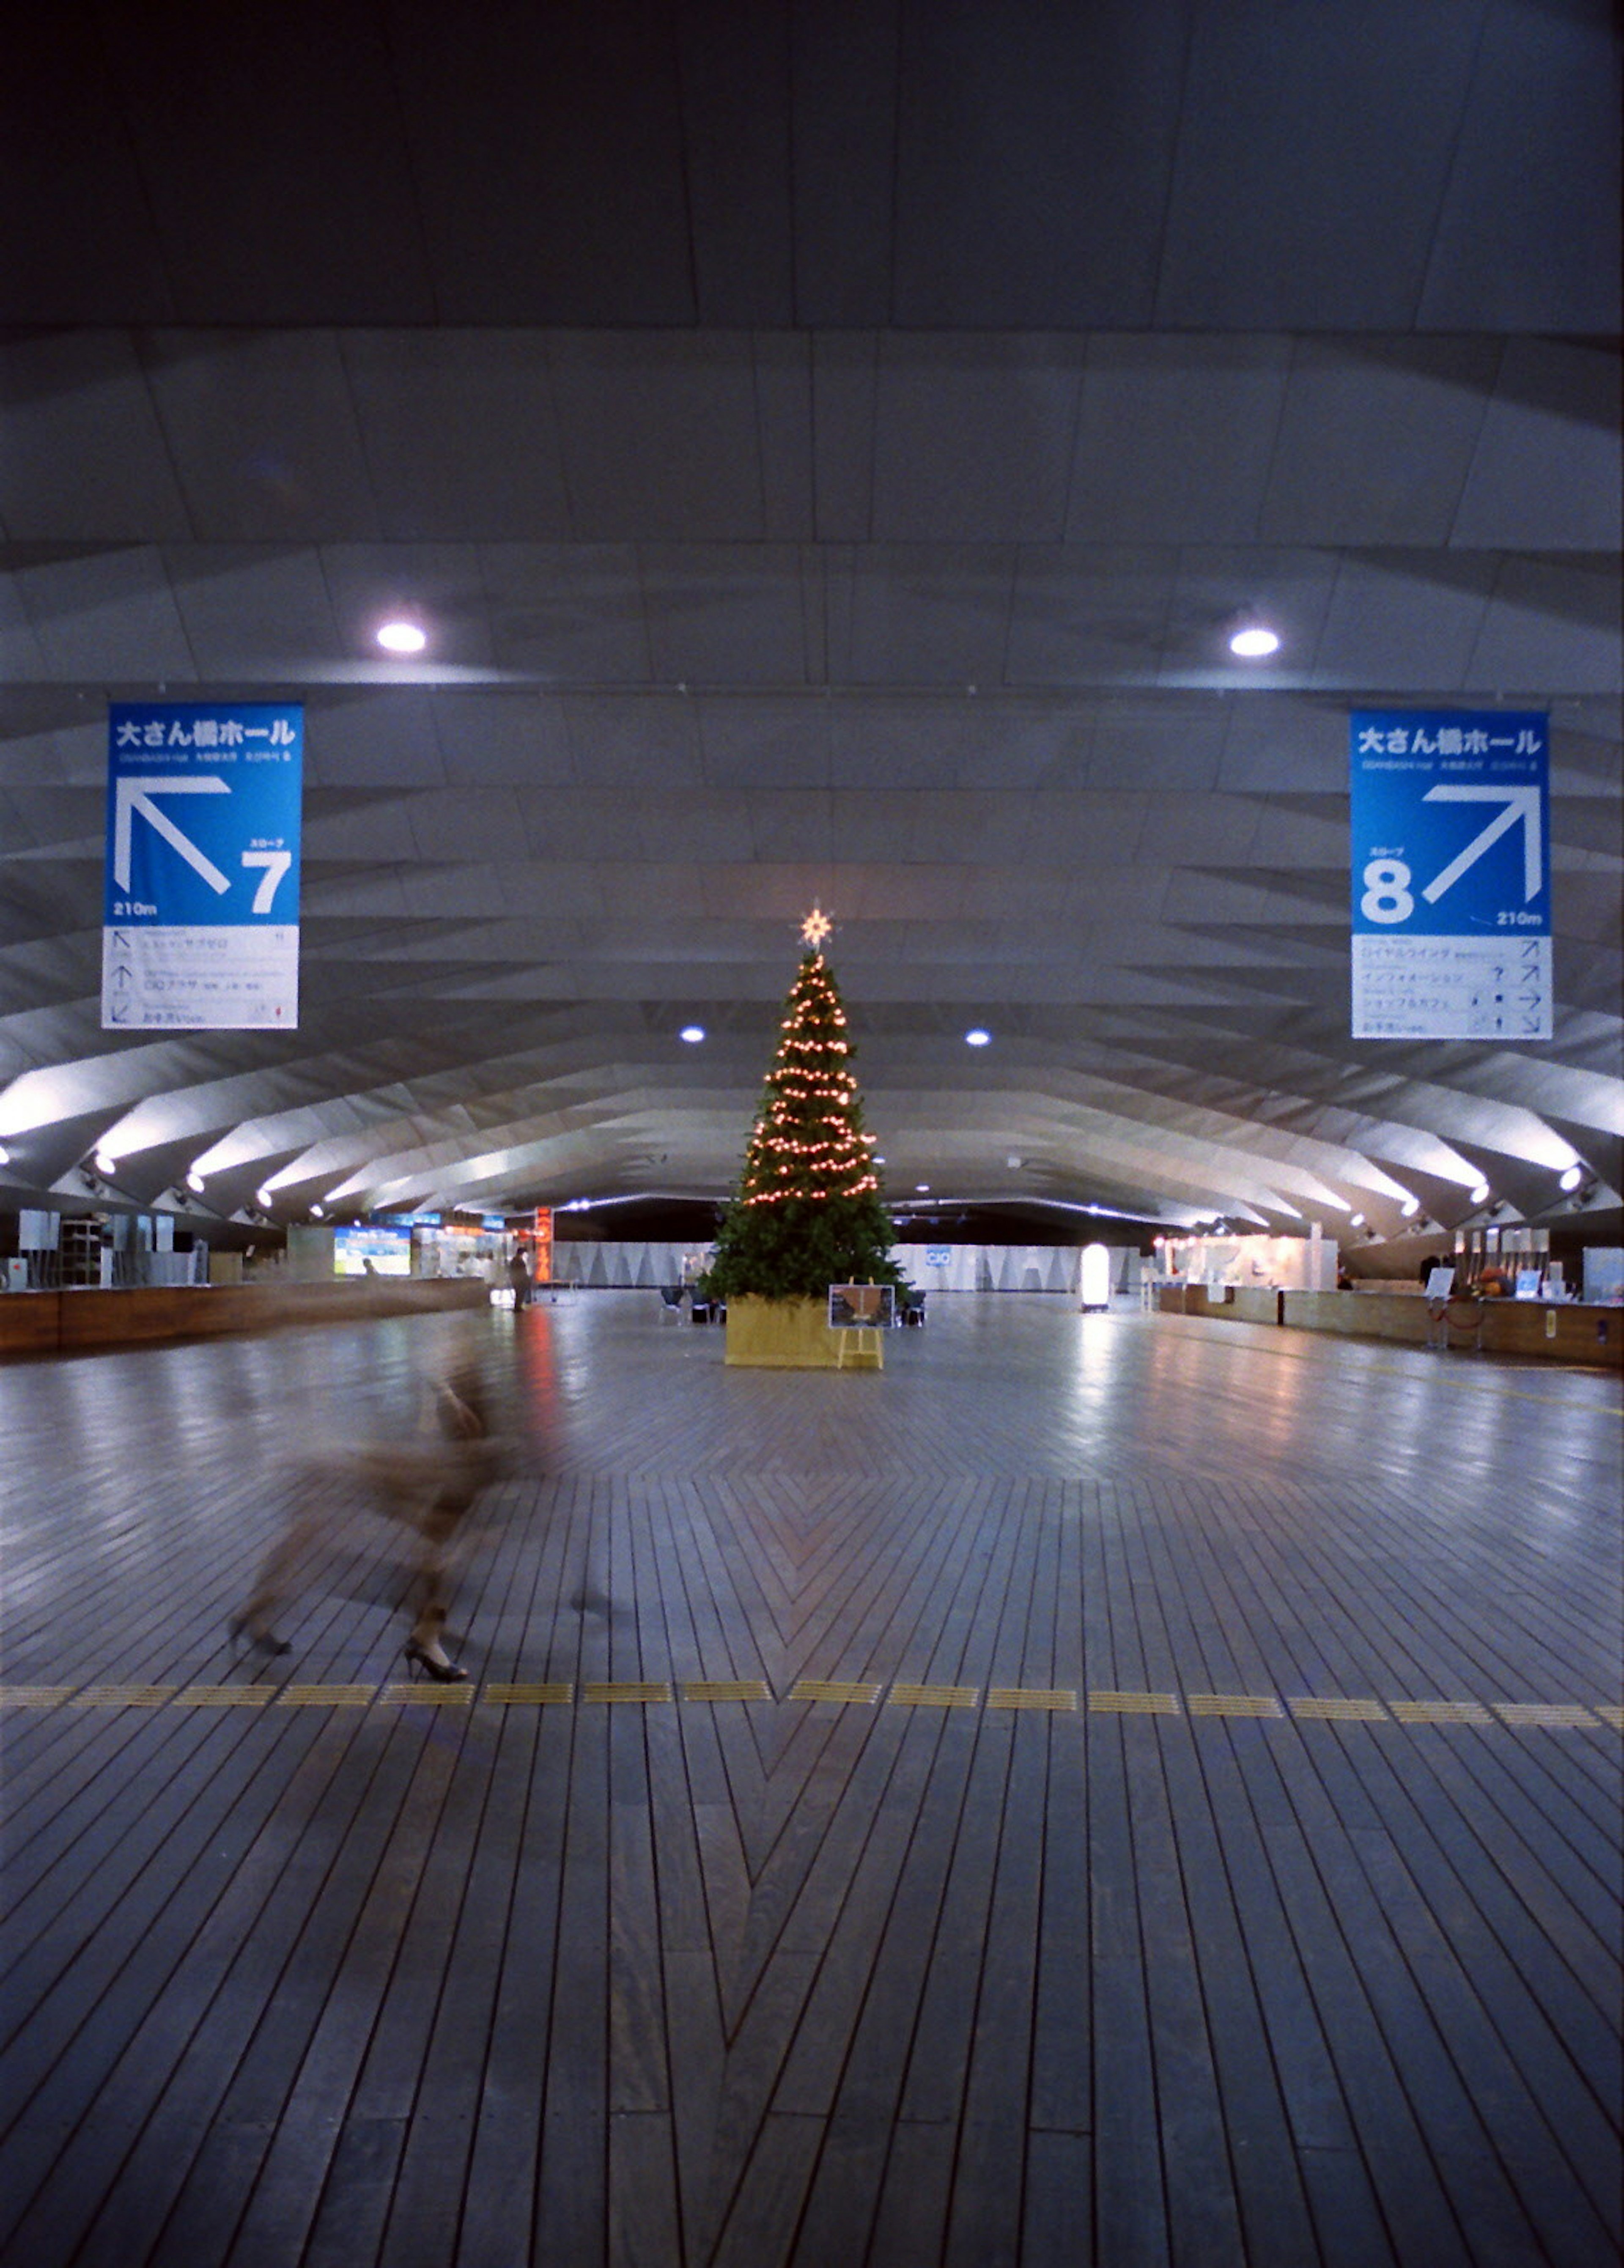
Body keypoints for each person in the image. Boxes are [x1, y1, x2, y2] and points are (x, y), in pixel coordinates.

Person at [230, 1358, 508, 1683]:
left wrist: (444, 1390)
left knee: (304, 1546)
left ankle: (250, 1614)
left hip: (355, 1473)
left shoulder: (457, 1470)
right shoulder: (460, 1479)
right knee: (310, 1550)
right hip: (351, 1476)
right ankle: (425, 1642)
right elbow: (431, 1559)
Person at [506, 1245, 530, 1309]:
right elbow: (522, 1271)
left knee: (519, 1293)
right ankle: (518, 1307)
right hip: (519, 1280)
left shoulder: (514, 1260)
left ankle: (518, 1306)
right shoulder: (519, 1261)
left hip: (516, 1279)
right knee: (520, 1293)